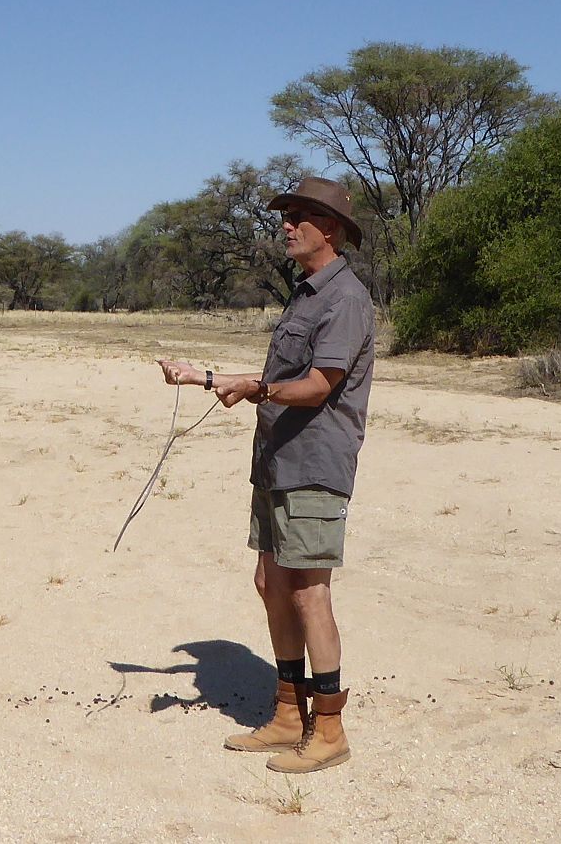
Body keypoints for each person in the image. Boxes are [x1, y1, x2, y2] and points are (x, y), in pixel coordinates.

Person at [156, 177, 374, 774]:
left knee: (309, 589)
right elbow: (281, 379)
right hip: (277, 457)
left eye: (299, 216)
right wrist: (207, 378)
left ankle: (328, 728)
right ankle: (286, 713)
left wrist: (252, 387)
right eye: (287, 215)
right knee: (271, 581)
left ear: (328, 229)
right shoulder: (305, 294)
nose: (286, 224)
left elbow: (318, 386)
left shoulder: (345, 298)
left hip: (315, 463)